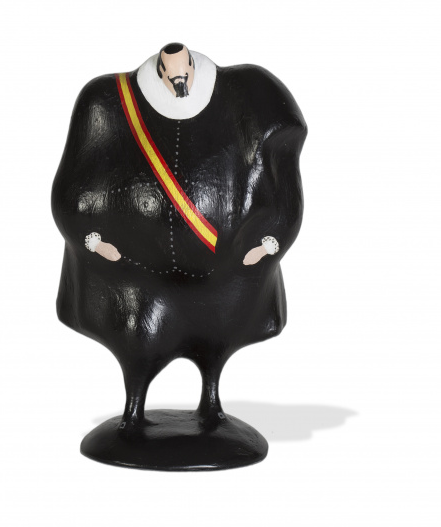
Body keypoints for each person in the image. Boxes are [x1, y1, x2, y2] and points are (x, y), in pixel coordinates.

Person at [52, 42, 307, 435]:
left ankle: (212, 404)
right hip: (137, 281)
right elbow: (72, 195)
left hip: (225, 282)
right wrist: (94, 242)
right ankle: (134, 411)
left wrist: (268, 244)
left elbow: (283, 178)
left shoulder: (246, 93)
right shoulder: (105, 101)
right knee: (137, 345)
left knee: (218, 340)